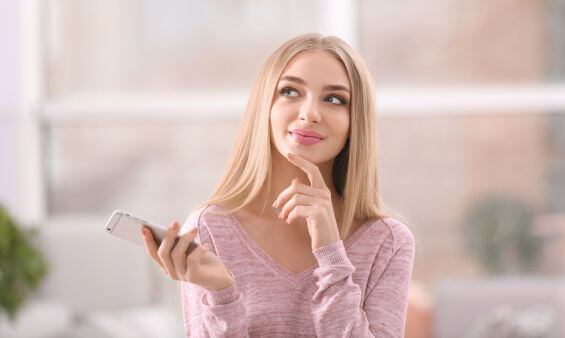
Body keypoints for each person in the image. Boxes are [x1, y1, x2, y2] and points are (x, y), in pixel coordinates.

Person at [140, 33, 415, 337]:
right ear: (265, 107)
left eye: (334, 99)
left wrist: (331, 253)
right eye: (290, 91)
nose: (309, 114)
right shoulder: (211, 229)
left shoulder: (388, 242)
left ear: (355, 121)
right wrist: (222, 293)